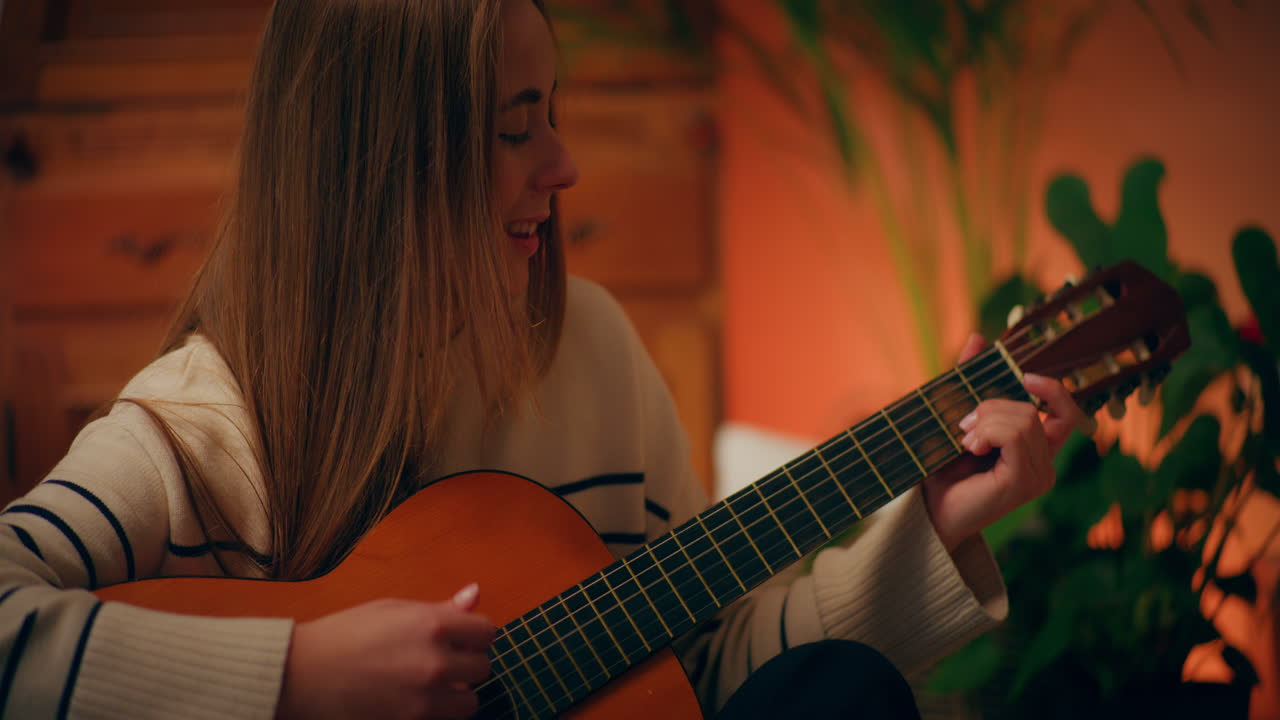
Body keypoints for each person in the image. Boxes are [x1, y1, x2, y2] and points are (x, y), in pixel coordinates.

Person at [0, 1, 1088, 718]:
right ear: (384, 169)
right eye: (515, 128)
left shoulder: (594, 353)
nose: (563, 166)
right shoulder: (201, 425)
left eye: (551, 116)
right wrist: (295, 676)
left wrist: (934, 530)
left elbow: (703, 669)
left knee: (837, 693)